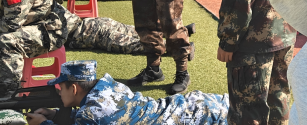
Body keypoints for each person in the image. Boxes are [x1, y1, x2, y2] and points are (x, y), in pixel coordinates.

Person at [0, 0, 149, 98]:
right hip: (45, 26)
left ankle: (9, 93)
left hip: (55, 30)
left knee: (7, 40)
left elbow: (10, 25)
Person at [25, 61, 229, 125]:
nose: (59, 92)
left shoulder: (92, 113)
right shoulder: (108, 86)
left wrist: (43, 124)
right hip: (196, 104)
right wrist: (54, 115)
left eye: (61, 87)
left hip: (201, 119)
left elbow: (93, 117)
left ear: (74, 88)